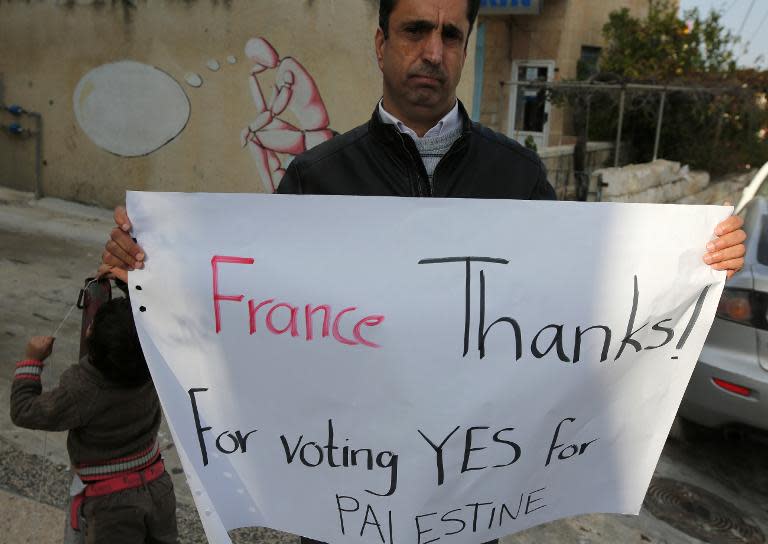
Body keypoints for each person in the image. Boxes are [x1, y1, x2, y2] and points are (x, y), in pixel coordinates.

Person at [96, 0, 746, 541]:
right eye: (415, 30)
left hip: (467, 508)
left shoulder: (517, 179)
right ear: (381, 43)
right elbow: (240, 317)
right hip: (345, 506)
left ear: (464, 47)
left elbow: (580, 303)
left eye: (450, 34)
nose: (432, 50)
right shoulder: (316, 179)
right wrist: (146, 266)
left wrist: (692, 266)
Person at [10, 297, 178, 544]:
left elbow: (24, 410)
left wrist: (32, 361)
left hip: (112, 506)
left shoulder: (83, 389)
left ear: (89, 335)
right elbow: (141, 322)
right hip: (159, 486)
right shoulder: (154, 367)